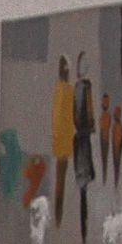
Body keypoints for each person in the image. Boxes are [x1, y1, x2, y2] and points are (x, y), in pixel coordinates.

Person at [72, 53, 97, 243]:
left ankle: (84, 231)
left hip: (80, 136)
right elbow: (88, 111)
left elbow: (77, 113)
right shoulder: (86, 87)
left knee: (83, 180)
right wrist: (90, 125)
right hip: (84, 136)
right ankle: (84, 231)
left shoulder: (77, 87)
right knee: (84, 177)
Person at [50, 55, 75, 226]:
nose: (66, 71)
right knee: (60, 179)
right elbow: (58, 118)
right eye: (64, 68)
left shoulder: (65, 90)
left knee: (61, 179)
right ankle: (58, 215)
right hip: (62, 142)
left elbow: (64, 117)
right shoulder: (61, 90)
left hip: (64, 142)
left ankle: (59, 214)